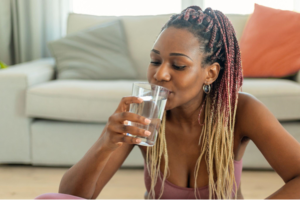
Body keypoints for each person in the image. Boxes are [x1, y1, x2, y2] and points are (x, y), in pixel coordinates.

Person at [35, 5, 300, 200]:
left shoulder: (239, 110)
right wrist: (106, 142)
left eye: (178, 65)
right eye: (154, 60)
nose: (160, 74)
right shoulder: (144, 113)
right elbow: (71, 196)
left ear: (210, 72)